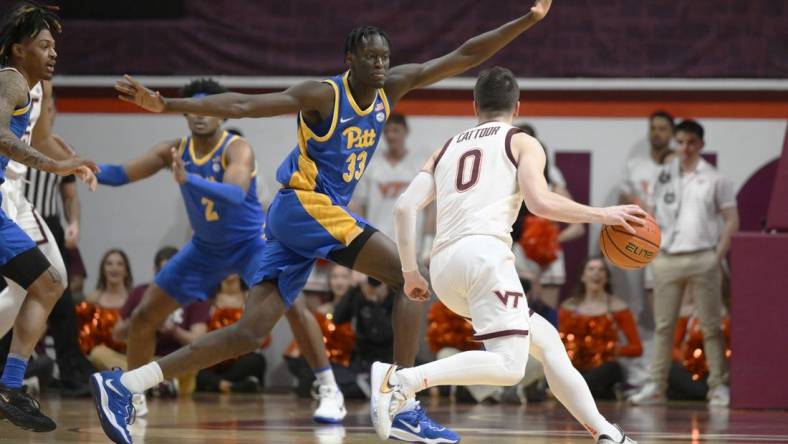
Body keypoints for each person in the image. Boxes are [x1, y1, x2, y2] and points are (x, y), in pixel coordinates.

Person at [95, 3, 555, 443]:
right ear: (349, 59)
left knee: (249, 334)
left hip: (296, 222)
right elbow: (243, 106)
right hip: (303, 206)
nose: (379, 64)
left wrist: (528, 20)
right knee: (411, 279)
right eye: (370, 56)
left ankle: (126, 384)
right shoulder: (323, 94)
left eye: (385, 57)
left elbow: (464, 54)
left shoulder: (389, 88)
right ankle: (401, 400)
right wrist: (167, 106)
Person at [371, 66, 641, 444]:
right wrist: (604, 214)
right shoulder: (521, 142)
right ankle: (401, 379)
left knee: (546, 341)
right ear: (517, 106)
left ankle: (607, 434)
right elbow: (540, 202)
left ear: (474, 106)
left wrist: (411, 272)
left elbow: (403, 208)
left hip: (444, 267)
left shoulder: (444, 148)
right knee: (511, 367)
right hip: (484, 257)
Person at [90, 78, 344, 428]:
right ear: (186, 114)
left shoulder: (236, 147)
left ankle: (330, 389)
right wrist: (78, 166)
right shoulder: (174, 150)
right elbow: (120, 174)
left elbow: (236, 194)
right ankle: (132, 395)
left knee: (295, 307)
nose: (200, 115)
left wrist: (187, 181)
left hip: (251, 245)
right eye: (194, 107)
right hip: (204, 250)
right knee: (146, 315)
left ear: (221, 115)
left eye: (209, 107)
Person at [0, 2, 97, 432]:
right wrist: (56, 167)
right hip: (8, 198)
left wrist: (74, 161)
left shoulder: (34, 86)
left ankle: (11, 386)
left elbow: (38, 137)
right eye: (43, 45)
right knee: (41, 285)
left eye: (55, 45)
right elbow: (2, 135)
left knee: (49, 282)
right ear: (18, 50)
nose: (54, 52)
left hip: (8, 203)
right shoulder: (10, 82)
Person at [628, 119, 739, 407]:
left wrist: (717, 256)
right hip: (667, 258)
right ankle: (656, 386)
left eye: (691, 142)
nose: (685, 148)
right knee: (663, 326)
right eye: (680, 142)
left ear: (701, 144)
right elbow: (649, 216)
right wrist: (651, 251)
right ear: (675, 143)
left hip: (703, 256)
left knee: (711, 324)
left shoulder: (716, 179)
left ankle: (717, 385)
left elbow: (732, 221)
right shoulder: (662, 176)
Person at [558, 257, 642, 400]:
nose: (596, 273)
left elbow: (637, 348)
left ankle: (572, 391)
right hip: (576, 366)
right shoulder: (568, 307)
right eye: (591, 269)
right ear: (583, 276)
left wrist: (610, 349)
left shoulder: (618, 308)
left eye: (601, 270)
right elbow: (558, 343)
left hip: (604, 368)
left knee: (611, 369)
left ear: (606, 277)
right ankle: (577, 390)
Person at [196, 274, 266, 394]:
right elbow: (199, 336)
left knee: (256, 361)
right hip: (213, 357)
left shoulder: (251, 298)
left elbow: (263, 336)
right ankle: (235, 386)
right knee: (196, 368)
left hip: (240, 356)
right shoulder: (207, 299)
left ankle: (218, 385)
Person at [77, 249, 133, 371]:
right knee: (98, 354)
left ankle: (130, 375)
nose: (114, 268)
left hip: (130, 357)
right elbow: (81, 337)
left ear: (126, 271)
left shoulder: (134, 298)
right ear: (103, 270)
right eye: (109, 264)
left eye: (119, 264)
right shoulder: (93, 299)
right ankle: (134, 377)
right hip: (102, 359)